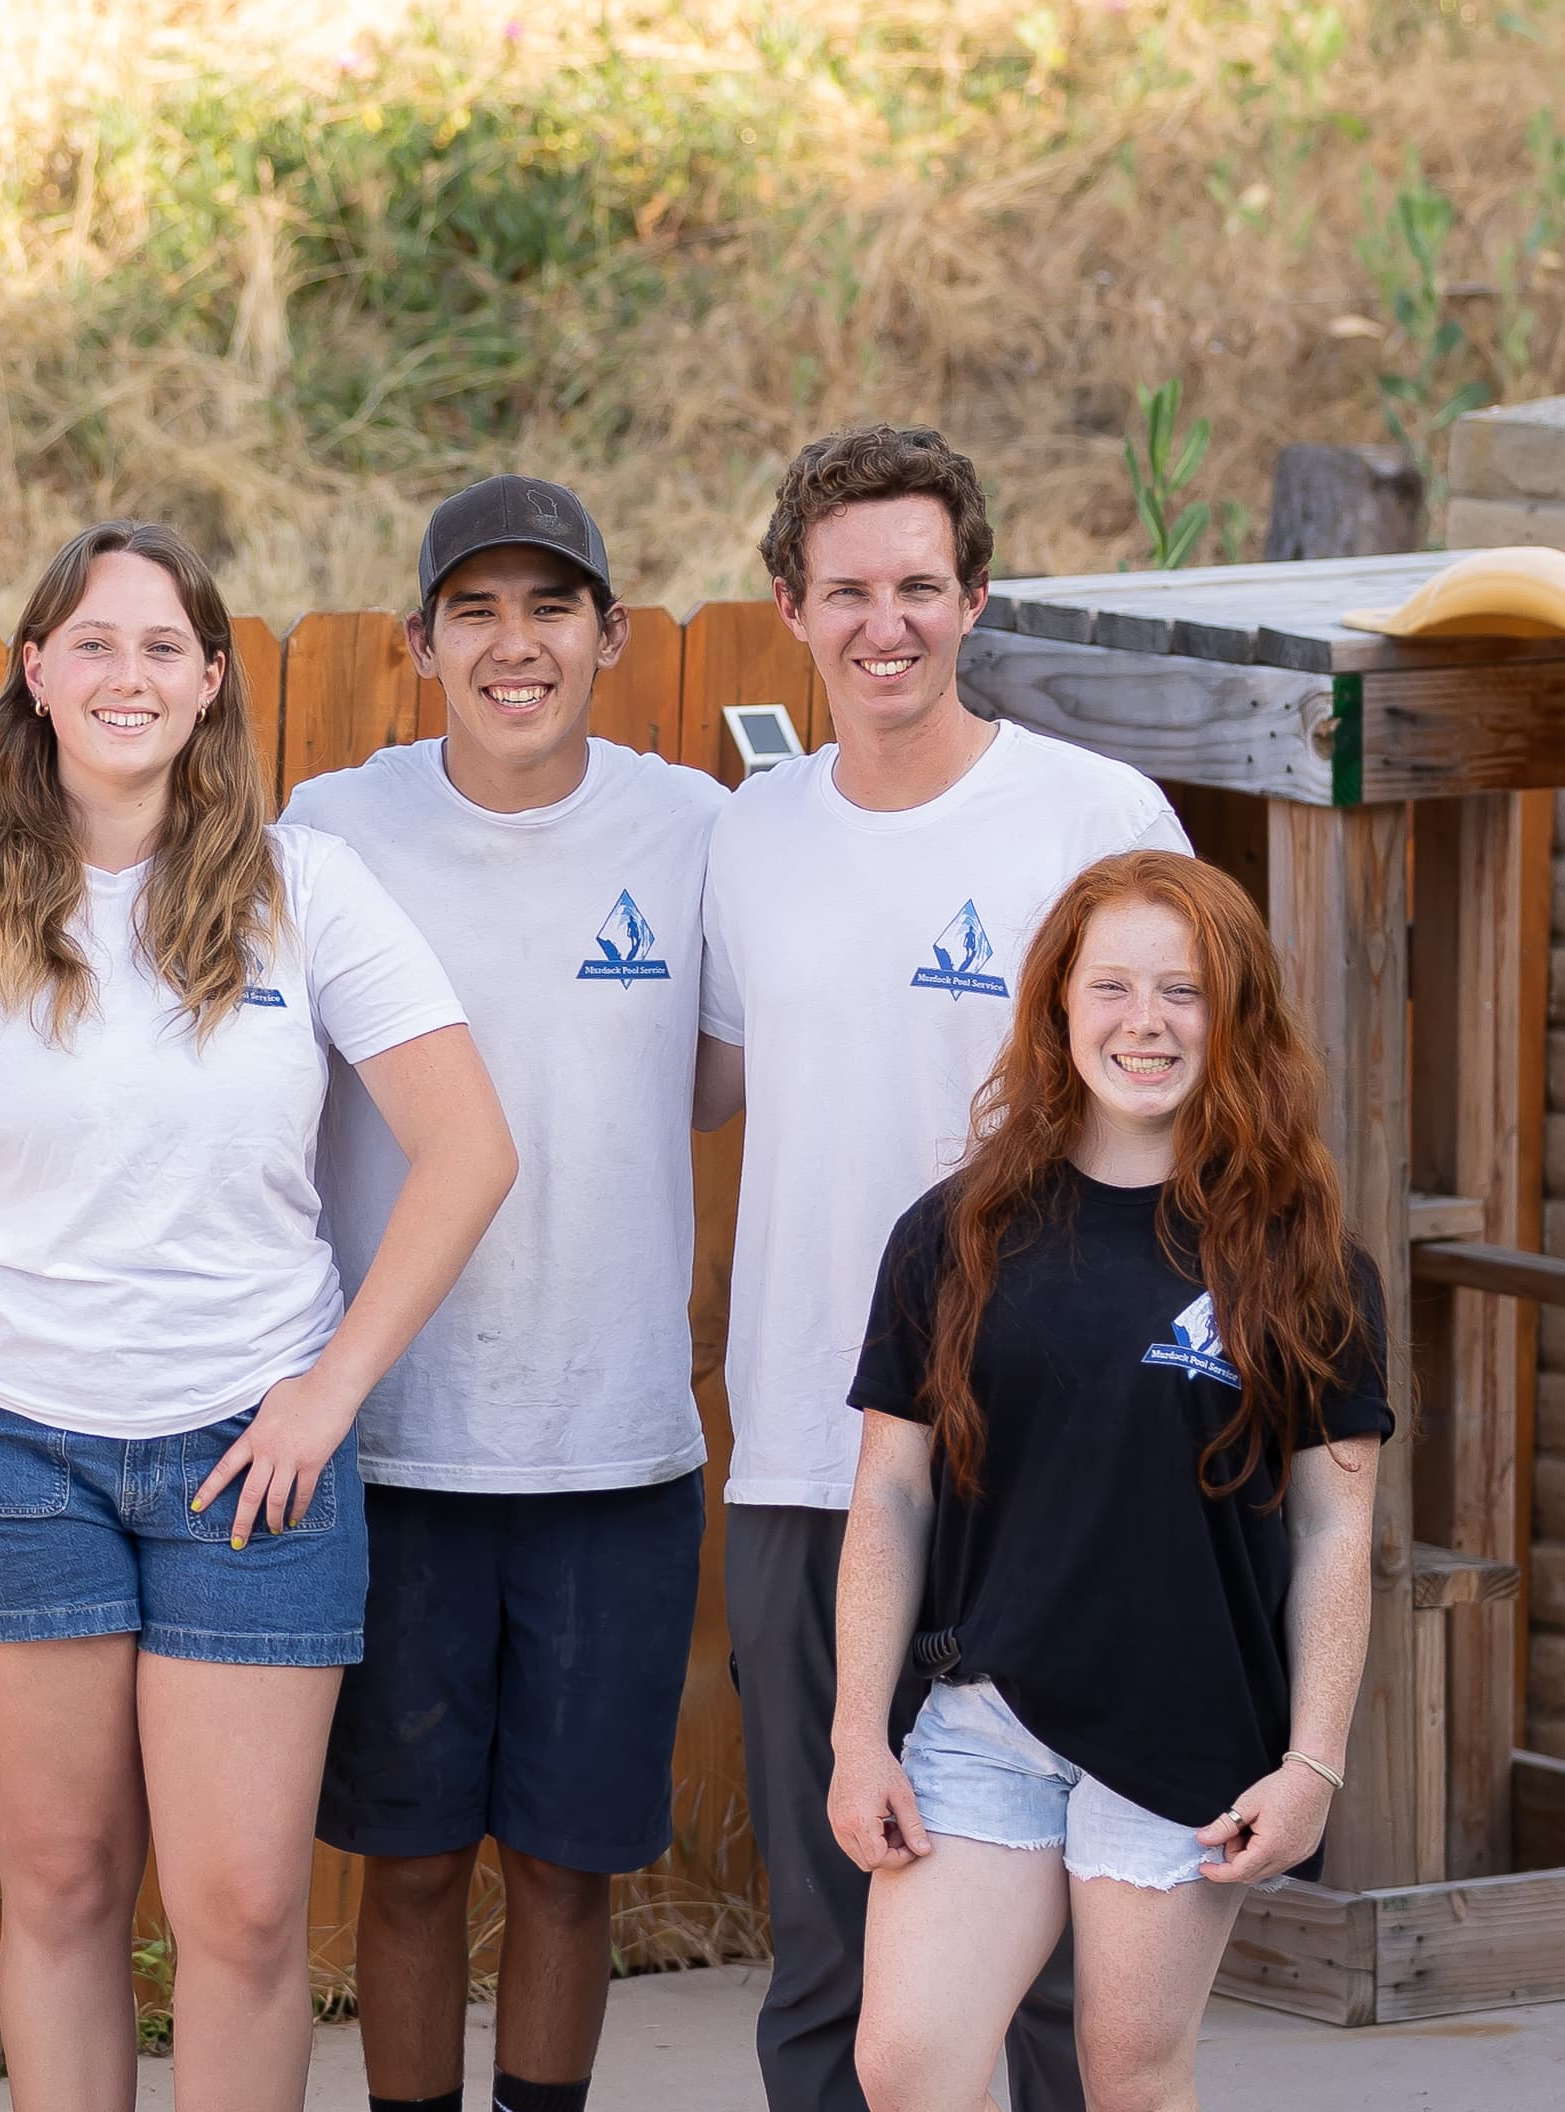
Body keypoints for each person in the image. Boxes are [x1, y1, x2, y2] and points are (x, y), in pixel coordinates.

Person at [0, 520, 521, 2112]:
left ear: (212, 680)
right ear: (36, 673)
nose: (125, 675)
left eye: (162, 647)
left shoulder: (309, 892)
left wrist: (329, 1394)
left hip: (249, 1459)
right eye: (92, 642)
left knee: (246, 1910)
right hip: (2, 1452)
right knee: (63, 1892)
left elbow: (471, 1150)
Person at [693, 424, 1191, 2112]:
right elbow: (686, 1086)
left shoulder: (1091, 814)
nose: (883, 622)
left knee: (1053, 1969)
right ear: (790, 607)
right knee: (829, 1951)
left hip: (1036, 1461)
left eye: (918, 585)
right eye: (847, 589)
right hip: (798, 1457)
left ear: (971, 596)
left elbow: (1187, 1105)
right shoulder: (743, 841)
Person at [285, 477, 725, 2112]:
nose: (512, 643)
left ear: (609, 635)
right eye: (472, 610)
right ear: (415, 645)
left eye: (549, 607)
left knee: (562, 1866)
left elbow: (738, 1071)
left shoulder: (691, 832)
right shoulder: (328, 832)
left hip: (611, 1451)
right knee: (402, 1869)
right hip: (390, 1449)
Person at [831, 850, 1384, 2112]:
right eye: (1114, 986)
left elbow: (1336, 1530)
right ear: (1059, 1008)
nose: (1146, 1021)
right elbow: (891, 1496)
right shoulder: (954, 1233)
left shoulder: (1306, 1262)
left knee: (1129, 2079)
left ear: (1234, 1016)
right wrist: (861, 1732)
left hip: (1186, 1735)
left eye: (1183, 991)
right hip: (986, 1717)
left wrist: (1315, 1764)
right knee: (906, 2062)